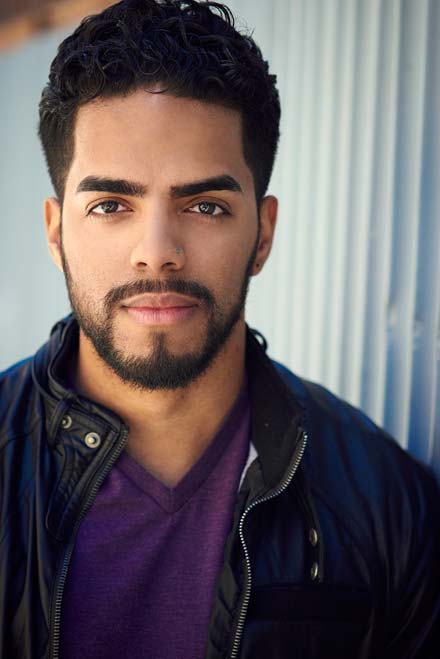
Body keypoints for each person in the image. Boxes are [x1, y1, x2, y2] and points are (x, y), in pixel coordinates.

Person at [1, 0, 439, 657]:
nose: (157, 250)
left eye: (204, 204)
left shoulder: (389, 511)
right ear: (57, 233)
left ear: (262, 234)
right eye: (112, 204)